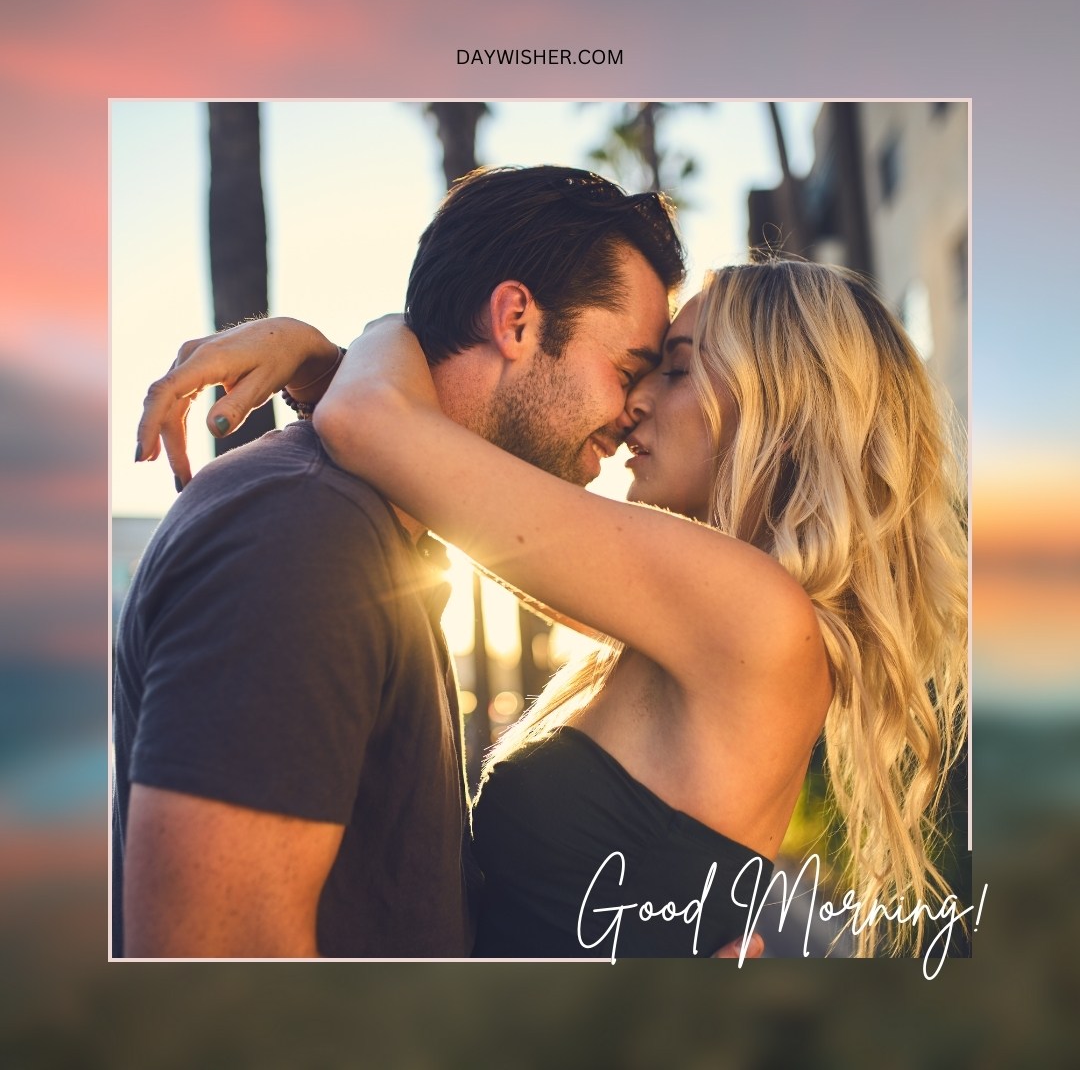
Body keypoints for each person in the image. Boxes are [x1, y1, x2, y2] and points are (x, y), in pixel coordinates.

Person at [138, 258, 968, 960]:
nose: (636, 400)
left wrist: (368, 337)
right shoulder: (706, 619)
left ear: (784, 399)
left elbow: (370, 421)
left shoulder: (749, 612)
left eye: (676, 367)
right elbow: (434, 479)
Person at [119, 164, 767, 959]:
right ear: (517, 320)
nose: (633, 407)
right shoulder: (303, 535)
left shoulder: (375, 531)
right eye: (631, 369)